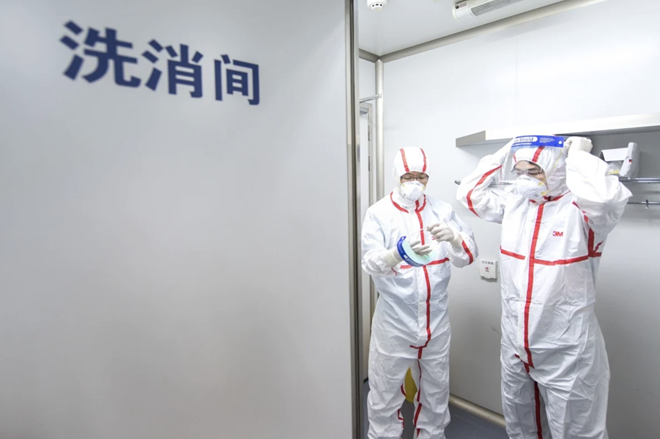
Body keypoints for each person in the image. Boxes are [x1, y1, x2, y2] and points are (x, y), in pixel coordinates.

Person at [456, 135, 632, 439]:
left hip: (565, 348)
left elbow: (606, 199)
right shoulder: (516, 202)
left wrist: (579, 156)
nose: (525, 179)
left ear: (556, 168)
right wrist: (505, 151)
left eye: (534, 171)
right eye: (519, 171)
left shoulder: (582, 211)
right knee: (521, 425)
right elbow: (469, 193)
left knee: (576, 432)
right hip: (515, 343)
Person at [362, 147, 478, 439]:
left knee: (436, 391)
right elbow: (369, 263)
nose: (415, 182)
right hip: (394, 321)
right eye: (408, 176)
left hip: (435, 319)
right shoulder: (379, 213)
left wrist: (455, 238)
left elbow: (467, 256)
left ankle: (431, 435)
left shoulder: (442, 210)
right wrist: (396, 254)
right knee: (384, 390)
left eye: (421, 177)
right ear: (397, 176)